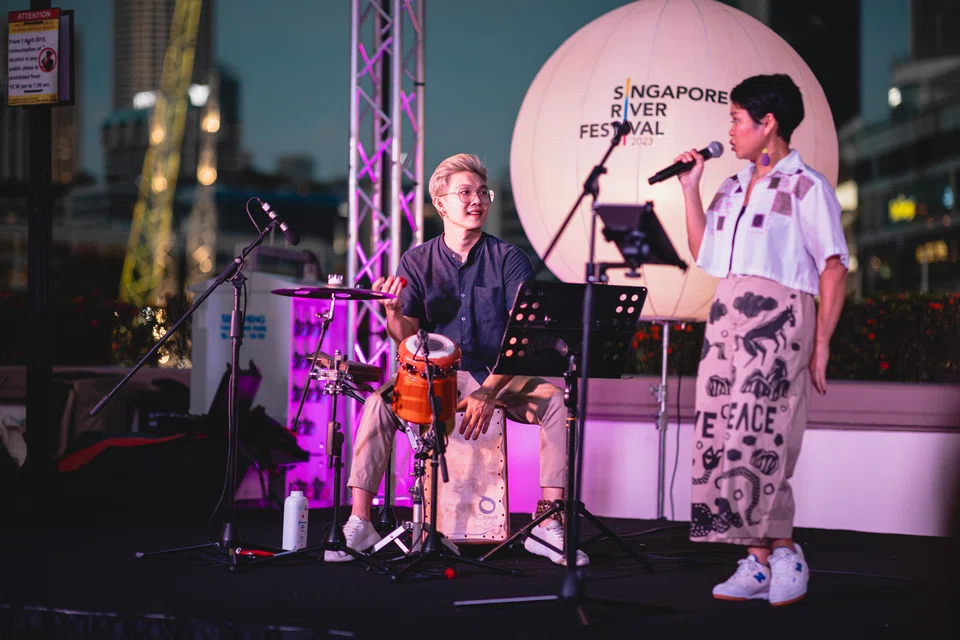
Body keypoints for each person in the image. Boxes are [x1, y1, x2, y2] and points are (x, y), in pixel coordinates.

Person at [325, 153, 588, 567]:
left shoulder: (509, 258)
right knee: (378, 403)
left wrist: (488, 391)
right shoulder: (416, 261)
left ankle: (547, 522)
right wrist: (393, 313)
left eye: (482, 192)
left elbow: (522, 340)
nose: (477, 200)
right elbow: (408, 341)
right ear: (441, 203)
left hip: (499, 376)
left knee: (556, 401)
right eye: (465, 192)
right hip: (437, 379)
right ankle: (360, 522)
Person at [675, 74, 848, 606]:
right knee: (724, 434)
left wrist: (820, 344)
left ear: (767, 122)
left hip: (780, 314)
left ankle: (786, 550)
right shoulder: (730, 185)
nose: (729, 130)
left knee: (764, 434)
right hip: (726, 314)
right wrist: (691, 188)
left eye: (736, 118)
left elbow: (834, 268)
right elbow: (705, 255)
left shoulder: (806, 185)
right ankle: (755, 560)